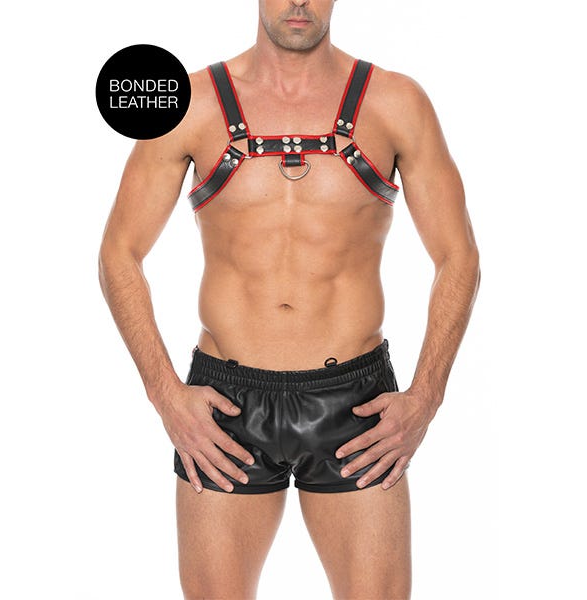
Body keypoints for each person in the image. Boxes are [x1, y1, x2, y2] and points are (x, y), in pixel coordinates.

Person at [98, 0, 480, 597]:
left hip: (355, 407)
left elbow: (458, 258)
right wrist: (164, 394)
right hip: (224, 409)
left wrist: (426, 396)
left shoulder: (396, 102)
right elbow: (119, 253)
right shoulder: (192, 103)